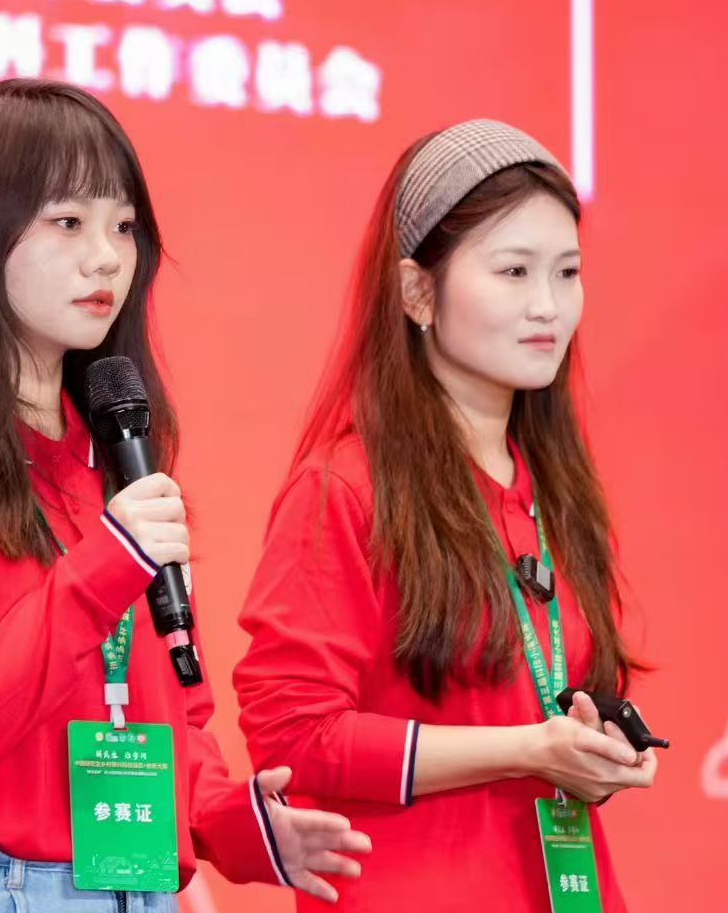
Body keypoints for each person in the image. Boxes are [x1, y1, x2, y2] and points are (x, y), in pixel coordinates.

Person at [0, 78, 371, 911]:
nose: (107, 257)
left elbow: (174, 716)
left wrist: (236, 824)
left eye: (124, 226)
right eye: (69, 222)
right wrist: (101, 570)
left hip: (136, 889)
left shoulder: (114, 460)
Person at [234, 120, 661, 911]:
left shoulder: (555, 490)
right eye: (514, 271)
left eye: (567, 272)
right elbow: (293, 733)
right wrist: (526, 749)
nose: (548, 306)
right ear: (417, 292)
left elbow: (547, 700)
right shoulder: (345, 487)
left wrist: (595, 750)